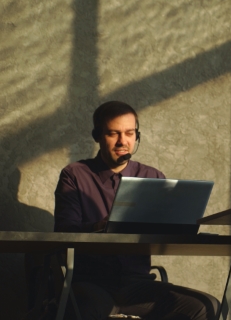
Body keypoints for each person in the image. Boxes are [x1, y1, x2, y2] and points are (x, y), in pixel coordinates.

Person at [54, 101, 219, 320]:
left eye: (129, 133)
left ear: (137, 136)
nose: (123, 141)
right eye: (114, 133)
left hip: (137, 285)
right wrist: (100, 226)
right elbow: (65, 232)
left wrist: (183, 225)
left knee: (207, 307)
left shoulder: (153, 177)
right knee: (88, 309)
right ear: (97, 136)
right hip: (92, 282)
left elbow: (166, 234)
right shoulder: (75, 174)